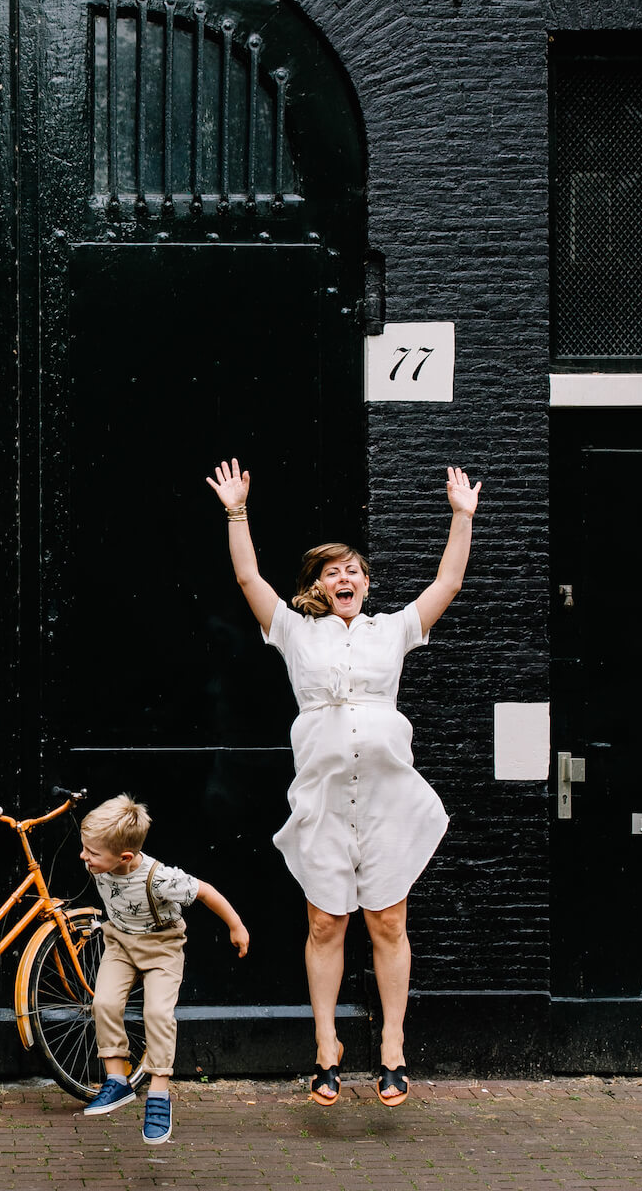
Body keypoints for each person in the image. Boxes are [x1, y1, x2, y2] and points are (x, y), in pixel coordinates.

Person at [204, 458, 478, 1108]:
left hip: (387, 799)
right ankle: (326, 1047)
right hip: (324, 799)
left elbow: (448, 581)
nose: (344, 576)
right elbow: (247, 575)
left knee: (387, 919)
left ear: (366, 583)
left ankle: (392, 1046)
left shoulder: (393, 632)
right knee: (326, 922)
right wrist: (237, 511)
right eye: (333, 571)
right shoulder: (296, 633)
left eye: (353, 569)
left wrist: (461, 518)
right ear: (319, 588)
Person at [78, 793, 250, 1144]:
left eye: (93, 853)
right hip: (121, 943)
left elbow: (205, 892)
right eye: (85, 849)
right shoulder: (97, 861)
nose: (84, 857)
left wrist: (236, 925)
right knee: (104, 1004)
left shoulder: (161, 879)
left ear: (124, 857)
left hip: (162, 948)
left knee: (157, 1013)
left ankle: (158, 1093)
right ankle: (117, 1081)